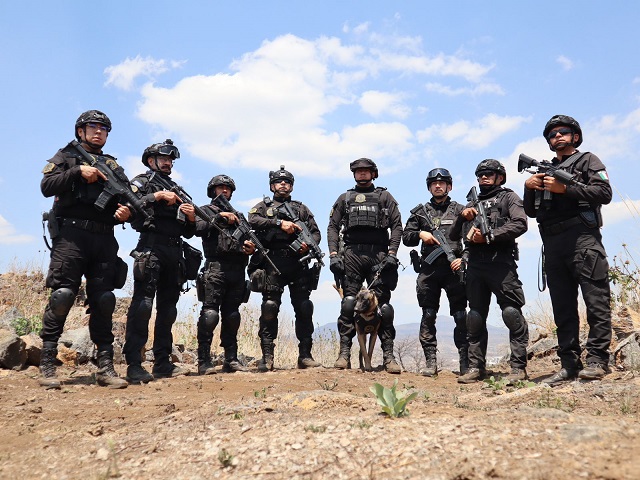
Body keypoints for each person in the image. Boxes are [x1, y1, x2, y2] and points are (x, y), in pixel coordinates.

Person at [39, 110, 130, 389]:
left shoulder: (112, 165)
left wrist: (126, 213)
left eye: (104, 128)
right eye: (93, 126)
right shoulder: (66, 156)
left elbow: (129, 199)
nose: (99, 131)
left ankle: (105, 367)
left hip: (104, 238)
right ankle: (47, 364)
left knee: (104, 300)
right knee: (63, 295)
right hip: (72, 237)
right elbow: (46, 186)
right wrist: (77, 171)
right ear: (80, 131)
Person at [524, 115, 612, 386]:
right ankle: (569, 365)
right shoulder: (545, 169)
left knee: (596, 301)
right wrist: (529, 188)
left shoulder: (588, 160)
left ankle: (597, 361)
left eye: (563, 132)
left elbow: (604, 193)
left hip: (583, 239)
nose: (557, 136)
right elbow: (531, 212)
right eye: (552, 134)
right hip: (553, 244)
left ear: (575, 136)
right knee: (562, 308)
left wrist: (566, 188)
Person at [123, 139, 196, 383]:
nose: (168, 163)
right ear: (150, 160)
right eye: (163, 158)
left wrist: (191, 217)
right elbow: (129, 206)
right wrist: (155, 196)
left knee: (168, 309)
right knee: (143, 305)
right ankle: (134, 364)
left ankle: (162, 363)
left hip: (174, 251)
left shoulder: (178, 189)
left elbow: (189, 232)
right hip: (151, 248)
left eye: (170, 160)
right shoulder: (141, 182)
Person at [450, 159, 529, 384]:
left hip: (500, 263)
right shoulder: (470, 204)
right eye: (481, 174)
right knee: (474, 317)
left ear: (499, 177)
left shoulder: (508, 197)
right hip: (475, 265)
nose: (484, 177)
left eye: (489, 174)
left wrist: (490, 236)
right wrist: (461, 217)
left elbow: (520, 223)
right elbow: (453, 236)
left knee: (511, 313)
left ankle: (518, 368)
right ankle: (476, 367)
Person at [327, 158, 403, 373]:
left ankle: (388, 356)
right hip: (352, 254)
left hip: (378, 254)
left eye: (366, 171)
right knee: (349, 303)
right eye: (358, 171)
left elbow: (397, 226)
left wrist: (392, 253)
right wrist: (334, 254)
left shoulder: (385, 197)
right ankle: (344, 354)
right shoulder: (345, 198)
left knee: (384, 307)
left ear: (373, 174)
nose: (362, 174)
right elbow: (332, 227)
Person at [247, 166, 322, 371]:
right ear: (272, 186)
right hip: (273, 262)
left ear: (292, 187)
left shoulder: (301, 209)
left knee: (304, 308)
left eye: (287, 182)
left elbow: (315, 233)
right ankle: (267, 357)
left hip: (298, 262)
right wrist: (279, 223)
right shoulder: (263, 207)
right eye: (279, 182)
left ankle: (305, 356)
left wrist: (308, 245)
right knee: (270, 308)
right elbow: (252, 220)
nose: (283, 184)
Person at [402, 168, 468, 376]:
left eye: (442, 183)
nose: (438, 186)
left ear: (449, 186)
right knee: (428, 314)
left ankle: (465, 361)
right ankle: (431, 362)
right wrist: (420, 234)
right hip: (429, 270)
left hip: (454, 269)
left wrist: (463, 259)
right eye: (434, 184)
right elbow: (406, 237)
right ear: (429, 187)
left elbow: (471, 238)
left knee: (460, 315)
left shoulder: (461, 210)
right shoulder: (421, 212)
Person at [194, 175, 255, 374]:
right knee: (210, 314)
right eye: (220, 187)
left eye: (228, 188)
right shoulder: (205, 210)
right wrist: (219, 217)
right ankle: (204, 360)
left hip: (237, 270)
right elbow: (197, 228)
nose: (225, 190)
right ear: (213, 190)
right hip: (215, 268)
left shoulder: (240, 216)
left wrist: (250, 248)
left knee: (232, 316)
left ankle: (231, 359)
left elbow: (249, 239)